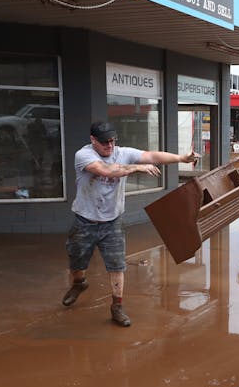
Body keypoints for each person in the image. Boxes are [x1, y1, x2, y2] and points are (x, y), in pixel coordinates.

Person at [62, 121, 199, 326]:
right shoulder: (84, 155)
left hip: (112, 222)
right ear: (92, 140)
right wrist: (138, 168)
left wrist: (181, 158)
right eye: (104, 142)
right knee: (76, 261)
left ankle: (117, 306)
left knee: (117, 266)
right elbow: (106, 171)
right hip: (85, 221)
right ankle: (79, 283)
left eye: (112, 140)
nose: (109, 145)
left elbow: (152, 156)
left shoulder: (122, 152)